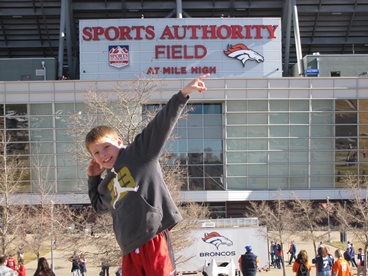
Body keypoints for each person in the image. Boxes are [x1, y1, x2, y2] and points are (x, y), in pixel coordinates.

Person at [86, 74, 210, 276]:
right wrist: (93, 178)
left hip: (153, 236)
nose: (103, 155)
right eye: (96, 153)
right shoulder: (106, 184)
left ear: (118, 142)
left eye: (106, 147)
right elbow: (98, 207)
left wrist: (183, 94)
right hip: (128, 248)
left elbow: (159, 126)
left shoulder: (139, 154)